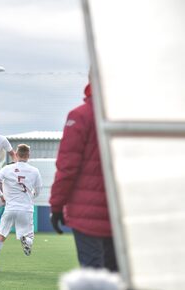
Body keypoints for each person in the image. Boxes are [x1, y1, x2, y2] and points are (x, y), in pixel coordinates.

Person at [49, 79, 118, 272]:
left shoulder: (80, 115)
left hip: (87, 213)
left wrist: (56, 205)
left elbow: (67, 168)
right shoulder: (128, 115)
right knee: (117, 276)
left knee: (93, 276)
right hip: (120, 212)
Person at [0, 144, 42, 271]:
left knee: (1, 236)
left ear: (16, 155)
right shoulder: (35, 171)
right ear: (28, 156)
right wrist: (32, 195)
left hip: (10, 208)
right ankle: (25, 240)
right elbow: (38, 190)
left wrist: (3, 193)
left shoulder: (7, 169)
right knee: (30, 237)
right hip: (26, 209)